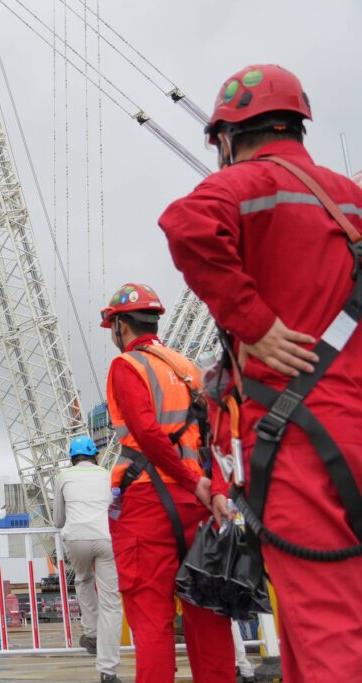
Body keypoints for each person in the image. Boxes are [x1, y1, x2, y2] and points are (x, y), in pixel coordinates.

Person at [159, 64, 362, 681]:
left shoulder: (248, 184)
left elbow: (185, 223)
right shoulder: (350, 201)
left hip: (301, 438)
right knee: (313, 622)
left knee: (326, 624)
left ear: (226, 136)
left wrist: (253, 321)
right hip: (349, 423)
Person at [101, 285, 234, 683]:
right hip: (198, 505)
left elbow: (145, 432)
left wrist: (191, 481)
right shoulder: (190, 369)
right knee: (207, 613)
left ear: (120, 326)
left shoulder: (128, 366)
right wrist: (215, 490)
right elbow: (217, 438)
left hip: (148, 503)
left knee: (152, 616)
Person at [52, 435, 122, 683]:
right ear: (95, 455)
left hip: (77, 538)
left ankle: (91, 633)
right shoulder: (107, 474)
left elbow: (58, 520)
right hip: (106, 537)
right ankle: (108, 669)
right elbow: (116, 509)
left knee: (83, 580)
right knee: (112, 602)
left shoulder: (63, 477)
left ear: (72, 457)